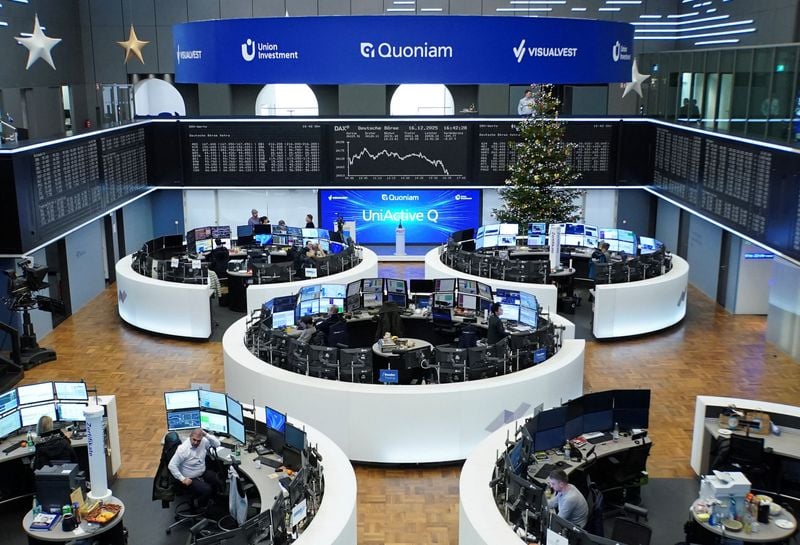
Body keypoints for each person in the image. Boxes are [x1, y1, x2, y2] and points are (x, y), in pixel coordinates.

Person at [168, 428, 222, 510]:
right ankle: (200, 505)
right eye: (194, 440)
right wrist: (182, 478)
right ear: (190, 437)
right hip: (189, 478)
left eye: (198, 441)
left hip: (201, 472)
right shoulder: (183, 449)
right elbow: (171, 465)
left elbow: (217, 444)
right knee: (206, 489)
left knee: (217, 479)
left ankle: (209, 499)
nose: (196, 442)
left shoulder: (203, 441)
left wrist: (206, 434)